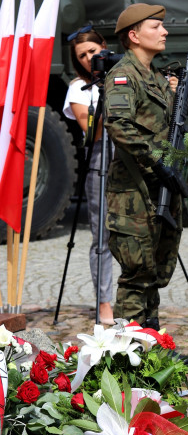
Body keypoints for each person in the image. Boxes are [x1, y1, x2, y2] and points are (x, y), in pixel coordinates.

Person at [103, 3, 182, 330]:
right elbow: (119, 125)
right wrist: (157, 161)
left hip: (159, 188)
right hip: (133, 191)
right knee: (137, 274)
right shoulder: (123, 75)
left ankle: (152, 349)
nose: (164, 32)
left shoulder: (156, 77)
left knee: (154, 272)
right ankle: (129, 355)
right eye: (155, 27)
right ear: (133, 36)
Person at [63, 26, 114, 325]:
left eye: (92, 52)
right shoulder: (78, 88)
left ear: (104, 47)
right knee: (102, 237)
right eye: (82, 56)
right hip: (100, 160)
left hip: (130, 159)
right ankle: (104, 302)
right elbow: (92, 132)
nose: (88, 59)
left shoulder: (126, 76)